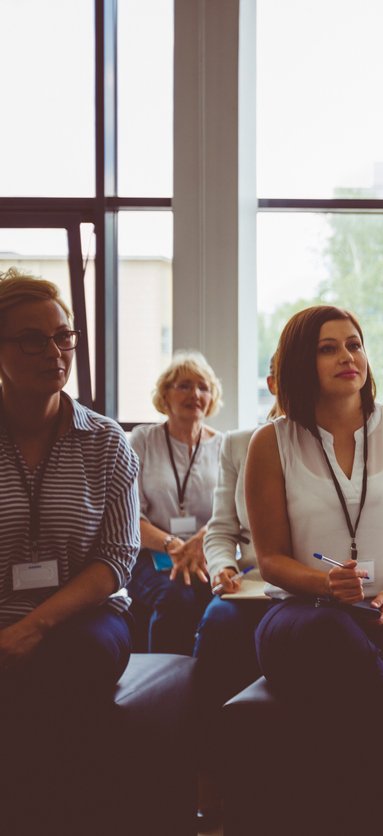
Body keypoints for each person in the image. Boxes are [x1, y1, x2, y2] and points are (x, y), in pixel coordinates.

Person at [246, 305, 383, 836]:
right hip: (301, 616)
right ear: (300, 361)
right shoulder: (270, 443)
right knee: (331, 634)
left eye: (355, 344)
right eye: (328, 347)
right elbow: (268, 558)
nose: (348, 356)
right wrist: (324, 584)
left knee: (344, 694)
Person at [0, 268, 141, 830]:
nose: (54, 352)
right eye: (32, 339)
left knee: (66, 665)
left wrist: (32, 627)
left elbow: (116, 558)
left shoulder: (105, 440)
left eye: (63, 336)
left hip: (82, 619)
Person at [190, 356, 279, 829]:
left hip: (314, 586)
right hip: (249, 583)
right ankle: (211, 777)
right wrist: (222, 567)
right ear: (273, 383)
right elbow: (220, 529)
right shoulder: (238, 445)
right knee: (218, 628)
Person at [128, 350, 225, 654]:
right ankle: (161, 687)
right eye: (184, 385)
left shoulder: (225, 446)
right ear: (165, 394)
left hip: (208, 553)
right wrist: (173, 545)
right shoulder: (142, 440)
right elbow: (129, 514)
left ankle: (208, 687)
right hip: (151, 554)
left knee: (222, 603)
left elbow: (233, 511)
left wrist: (201, 541)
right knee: (176, 597)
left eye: (203, 387)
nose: (195, 394)